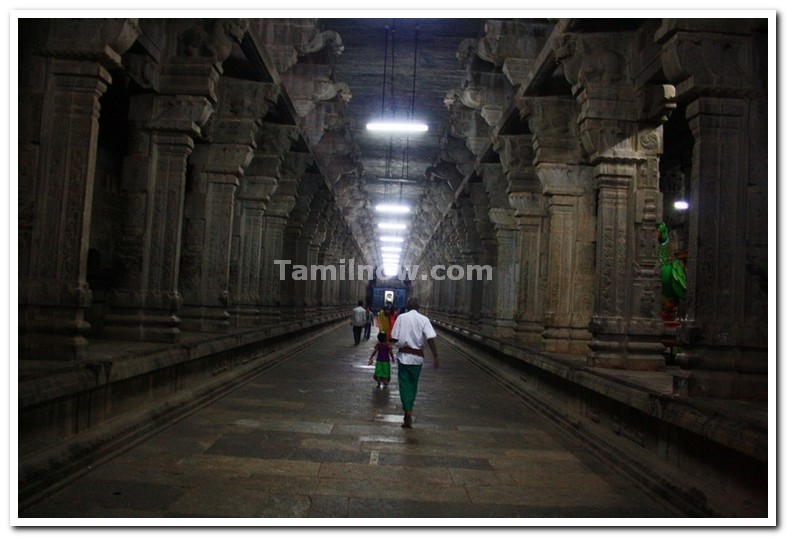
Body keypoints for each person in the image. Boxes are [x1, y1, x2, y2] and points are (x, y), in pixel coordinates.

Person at [389, 297, 439, 428]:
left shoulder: (401, 318)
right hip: (417, 359)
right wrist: (435, 356)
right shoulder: (424, 319)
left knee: (404, 385)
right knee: (413, 385)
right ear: (419, 307)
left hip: (403, 357)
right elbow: (430, 338)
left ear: (406, 307)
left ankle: (407, 411)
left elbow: (394, 337)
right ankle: (409, 409)